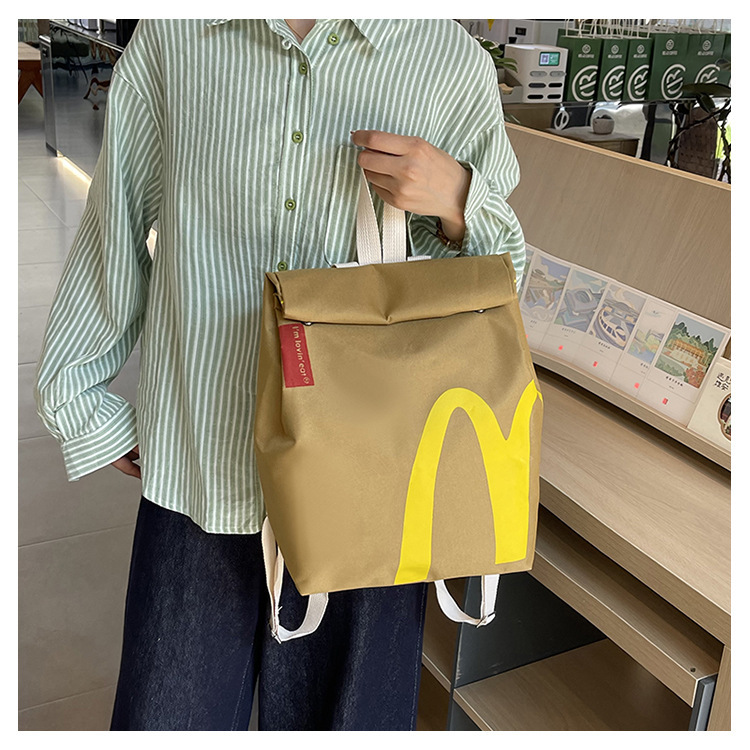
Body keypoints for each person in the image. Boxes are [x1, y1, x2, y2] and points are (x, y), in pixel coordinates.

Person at [34, 19, 526, 731]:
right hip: (204, 472)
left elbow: (498, 287)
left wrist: (459, 201)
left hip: (372, 491)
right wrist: (81, 396)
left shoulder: (447, 62)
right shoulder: (177, 40)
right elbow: (117, 222)